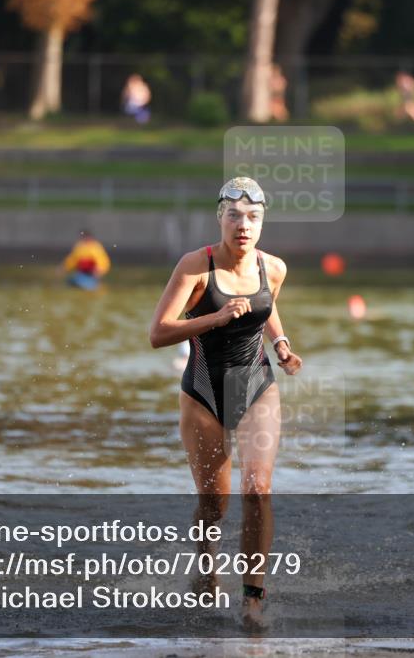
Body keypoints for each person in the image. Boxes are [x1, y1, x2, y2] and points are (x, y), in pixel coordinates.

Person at [148, 176, 303, 630]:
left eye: (253, 217)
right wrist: (214, 317)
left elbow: (265, 305)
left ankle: (252, 598)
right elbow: (158, 333)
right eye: (234, 216)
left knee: (258, 488)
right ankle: (205, 563)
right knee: (215, 503)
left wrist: (282, 344)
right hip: (203, 391)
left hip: (256, 385)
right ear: (220, 218)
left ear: (262, 223)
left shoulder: (273, 267)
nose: (243, 225)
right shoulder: (196, 266)